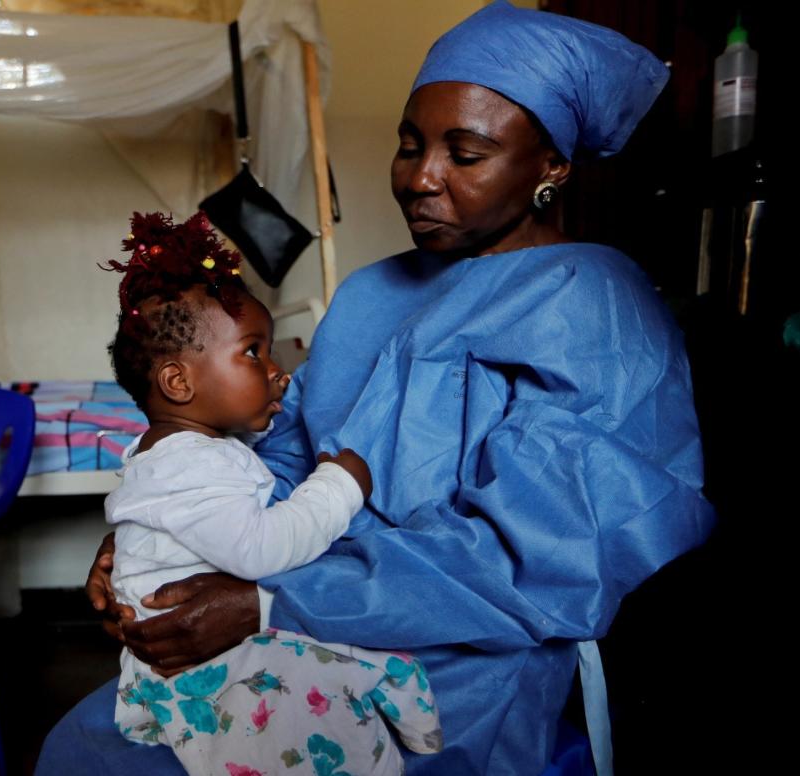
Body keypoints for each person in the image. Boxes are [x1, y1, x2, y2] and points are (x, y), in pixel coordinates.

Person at [39, 3, 716, 773]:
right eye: (408, 144)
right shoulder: (370, 294)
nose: (420, 178)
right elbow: (278, 469)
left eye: (465, 153)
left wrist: (271, 604)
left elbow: (540, 559)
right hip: (283, 611)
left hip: (458, 650)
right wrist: (165, 535)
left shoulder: (591, 307)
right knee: (84, 748)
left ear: (550, 167)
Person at [100, 211, 441, 775]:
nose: (279, 372)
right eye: (254, 352)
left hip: (181, 656)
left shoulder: (171, 454)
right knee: (321, 720)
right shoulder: (193, 463)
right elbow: (262, 548)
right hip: (207, 665)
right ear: (179, 383)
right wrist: (339, 483)